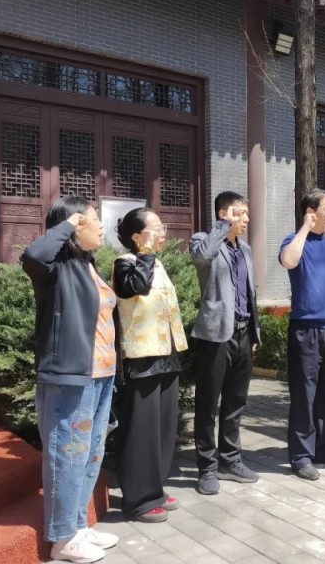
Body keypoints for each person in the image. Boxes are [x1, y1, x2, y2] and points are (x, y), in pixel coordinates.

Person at [22, 196, 120, 563]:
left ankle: (78, 526)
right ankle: (61, 539)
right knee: (68, 453)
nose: (101, 226)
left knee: (90, 454)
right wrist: (67, 224)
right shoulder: (54, 269)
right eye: (92, 219)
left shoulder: (87, 265)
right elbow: (33, 255)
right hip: (71, 378)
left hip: (102, 375)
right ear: (75, 226)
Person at [112, 208, 188, 522]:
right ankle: (138, 500)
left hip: (166, 356)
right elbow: (137, 287)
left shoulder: (156, 263)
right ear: (136, 236)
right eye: (155, 228)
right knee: (141, 432)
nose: (162, 233)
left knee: (163, 430)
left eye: (161, 227)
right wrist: (144, 253)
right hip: (141, 359)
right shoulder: (124, 264)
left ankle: (154, 489)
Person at [190, 191, 261, 495]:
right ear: (223, 214)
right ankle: (206, 467)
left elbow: (249, 293)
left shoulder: (245, 249)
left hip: (243, 334)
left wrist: (254, 333)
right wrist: (221, 227)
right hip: (215, 335)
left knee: (235, 402)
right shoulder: (203, 241)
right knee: (208, 404)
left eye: (246, 213)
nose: (246, 219)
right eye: (240, 213)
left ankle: (230, 460)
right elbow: (202, 257)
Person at [279, 189, 325, 481]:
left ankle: (324, 448)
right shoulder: (293, 241)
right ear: (311, 212)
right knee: (304, 395)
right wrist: (305, 229)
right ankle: (301, 455)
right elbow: (288, 261)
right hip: (305, 330)